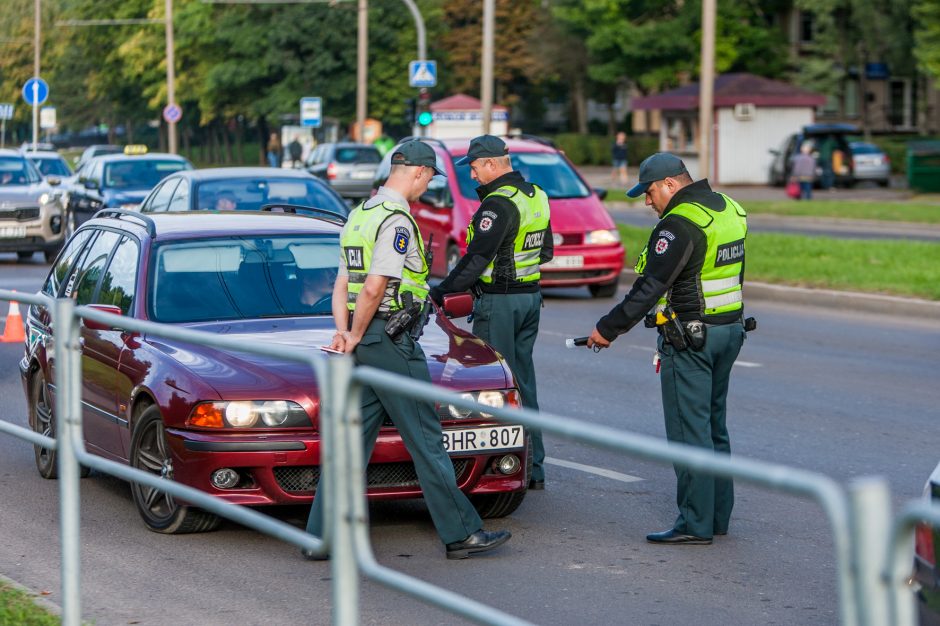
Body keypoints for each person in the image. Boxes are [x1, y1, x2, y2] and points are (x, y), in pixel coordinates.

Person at [303, 140, 511, 560]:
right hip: (390, 341)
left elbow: (343, 284)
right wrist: (358, 334)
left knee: (351, 440)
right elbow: (377, 286)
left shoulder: (360, 214)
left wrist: (344, 334)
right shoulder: (397, 221)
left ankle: (321, 536)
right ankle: (462, 533)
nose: (427, 185)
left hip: (364, 340)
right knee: (427, 437)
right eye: (429, 177)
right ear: (417, 173)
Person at [585, 153, 748, 546]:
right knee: (713, 428)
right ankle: (717, 516)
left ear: (671, 185)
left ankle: (695, 524)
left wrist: (608, 329)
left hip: (691, 341)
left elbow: (650, 287)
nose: (648, 201)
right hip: (729, 331)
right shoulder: (730, 208)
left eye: (650, 191)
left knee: (690, 433)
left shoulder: (679, 223)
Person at [428, 135, 553, 490]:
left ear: (493, 164)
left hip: (499, 302)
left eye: (475, 167)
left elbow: (475, 260)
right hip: (530, 299)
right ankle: (534, 465)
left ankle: (504, 468)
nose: (472, 175)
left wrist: (440, 291)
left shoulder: (497, 205)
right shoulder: (536, 196)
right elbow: (545, 253)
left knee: (495, 387)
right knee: (523, 381)